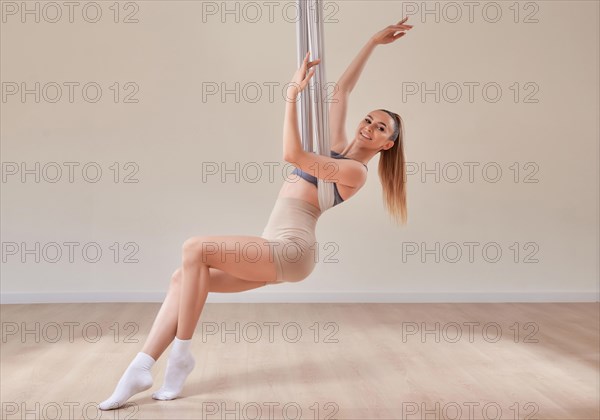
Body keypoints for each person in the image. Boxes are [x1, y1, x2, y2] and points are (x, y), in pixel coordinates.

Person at [98, 17, 412, 411]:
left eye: (381, 128)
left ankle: (180, 357)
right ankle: (140, 367)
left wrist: (291, 96)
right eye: (369, 119)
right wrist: (372, 41)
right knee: (184, 278)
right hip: (273, 249)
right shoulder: (335, 147)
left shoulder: (354, 172)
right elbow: (343, 89)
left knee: (195, 248)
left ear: (387, 145)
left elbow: (292, 156)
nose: (369, 127)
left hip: (291, 252)